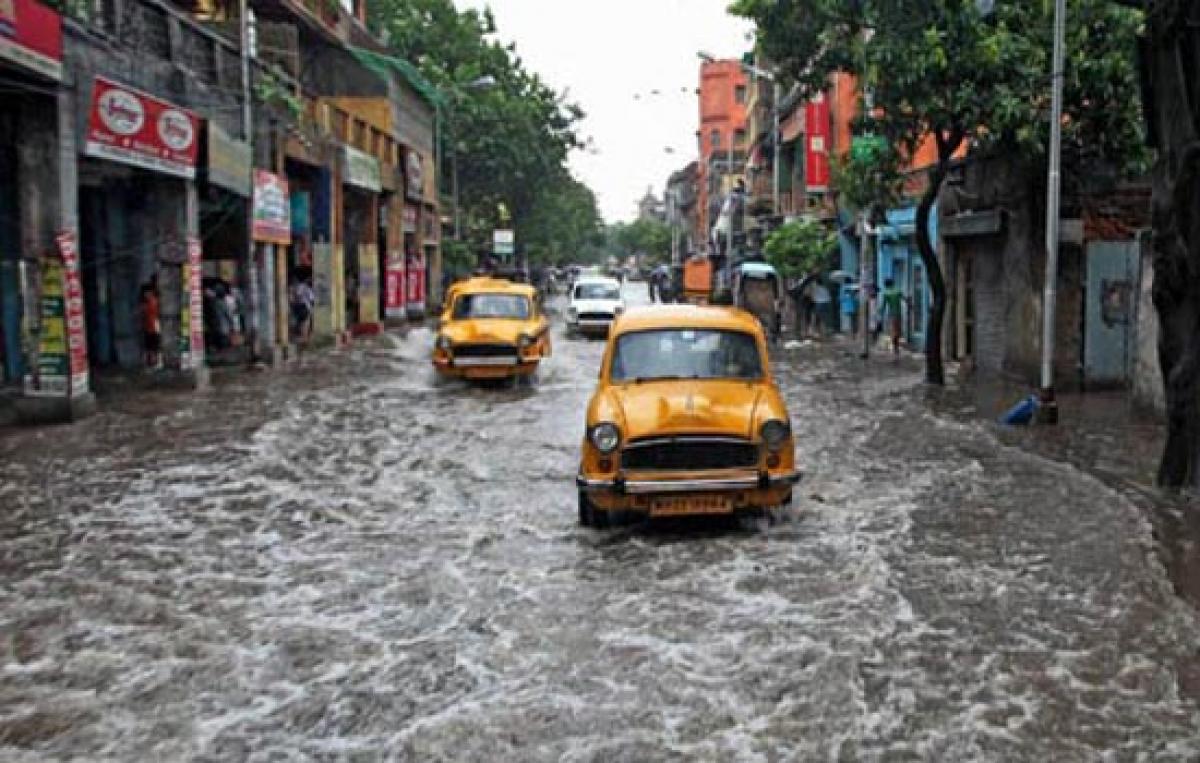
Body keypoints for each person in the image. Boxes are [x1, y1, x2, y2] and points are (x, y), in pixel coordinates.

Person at [879, 278, 905, 356]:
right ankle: (896, 347)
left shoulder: (886, 293)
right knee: (897, 330)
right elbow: (905, 299)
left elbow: (883, 306)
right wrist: (911, 306)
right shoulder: (898, 291)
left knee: (894, 331)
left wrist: (880, 313)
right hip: (899, 313)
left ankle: (895, 348)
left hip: (892, 314)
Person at [140, 278, 161, 369]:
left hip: (153, 327)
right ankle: (151, 362)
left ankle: (155, 362)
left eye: (148, 293)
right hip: (149, 327)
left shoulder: (153, 302)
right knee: (150, 346)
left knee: (154, 346)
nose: (146, 295)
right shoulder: (147, 302)